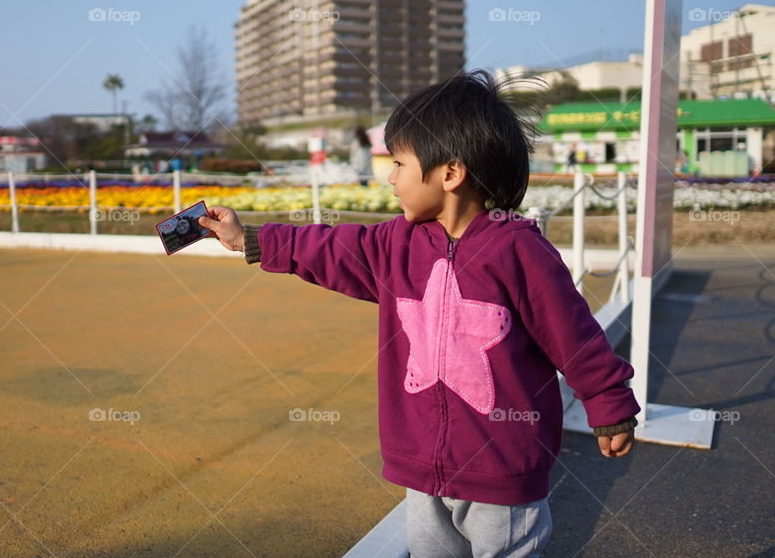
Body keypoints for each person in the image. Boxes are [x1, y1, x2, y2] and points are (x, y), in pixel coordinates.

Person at [199, 70, 639, 558]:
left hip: (502, 470)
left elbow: (573, 335)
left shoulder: (518, 249)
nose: (389, 177)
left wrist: (610, 403)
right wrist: (250, 239)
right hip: (421, 469)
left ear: (450, 174)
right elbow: (329, 248)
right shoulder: (394, 244)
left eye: (400, 163)